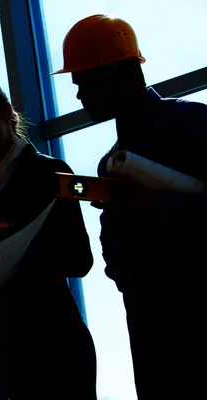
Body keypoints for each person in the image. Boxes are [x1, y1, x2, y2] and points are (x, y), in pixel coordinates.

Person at [51, 14, 207, 399]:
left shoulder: (194, 123)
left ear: (118, 72)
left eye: (83, 81)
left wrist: (155, 209)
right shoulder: (112, 162)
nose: (79, 96)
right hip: (151, 323)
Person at [0, 77, 97, 400]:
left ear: (5, 112)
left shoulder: (50, 172)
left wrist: (8, 239)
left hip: (53, 342)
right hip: (17, 341)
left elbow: (79, 259)